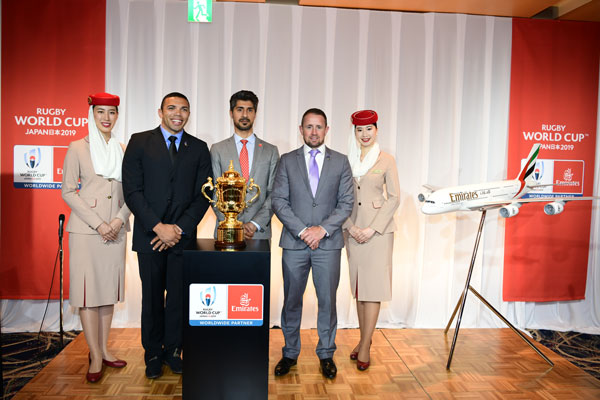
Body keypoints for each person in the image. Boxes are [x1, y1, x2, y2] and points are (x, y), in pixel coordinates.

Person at [122, 92, 212, 379]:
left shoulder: (198, 147)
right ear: (159, 111)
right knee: (151, 299)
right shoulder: (139, 141)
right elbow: (132, 191)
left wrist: (179, 229)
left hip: (182, 239)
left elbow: (203, 196)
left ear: (189, 114)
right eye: (172, 108)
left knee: (178, 298)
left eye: (184, 109)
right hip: (150, 236)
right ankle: (152, 354)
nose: (178, 113)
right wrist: (158, 227)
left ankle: (174, 350)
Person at [271, 108, 354, 379]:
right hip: (295, 243)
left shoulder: (341, 162)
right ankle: (290, 352)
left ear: (327, 130)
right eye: (309, 127)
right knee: (292, 300)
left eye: (319, 127)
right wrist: (304, 231)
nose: (314, 132)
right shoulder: (287, 160)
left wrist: (322, 230)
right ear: (301, 129)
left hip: (328, 245)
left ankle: (326, 353)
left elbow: (346, 204)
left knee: (327, 301)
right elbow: (279, 201)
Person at [62, 92, 131, 383]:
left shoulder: (123, 147)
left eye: (111, 112)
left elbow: (133, 192)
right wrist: (99, 224)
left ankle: (104, 349)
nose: (106, 117)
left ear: (117, 116)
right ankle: (94, 354)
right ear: (92, 113)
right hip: (87, 231)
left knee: (107, 295)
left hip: (116, 229)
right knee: (89, 296)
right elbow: (68, 191)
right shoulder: (78, 147)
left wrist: (118, 219)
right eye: (101, 111)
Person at [343, 110, 400, 371]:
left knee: (373, 289)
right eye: (359, 130)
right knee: (359, 289)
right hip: (352, 230)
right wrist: (350, 226)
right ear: (354, 132)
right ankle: (363, 339)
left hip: (378, 233)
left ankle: (365, 345)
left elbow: (395, 198)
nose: (364, 135)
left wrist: (372, 229)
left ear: (376, 130)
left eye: (369, 129)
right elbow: (338, 197)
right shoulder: (346, 161)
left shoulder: (386, 160)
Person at [210, 90, 279, 240]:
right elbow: (214, 192)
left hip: (258, 233)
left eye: (249, 110)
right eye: (239, 109)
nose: (245, 115)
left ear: (255, 113)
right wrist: (231, 222)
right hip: (226, 231)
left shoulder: (271, 151)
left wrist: (255, 223)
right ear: (231, 113)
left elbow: (274, 193)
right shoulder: (217, 149)